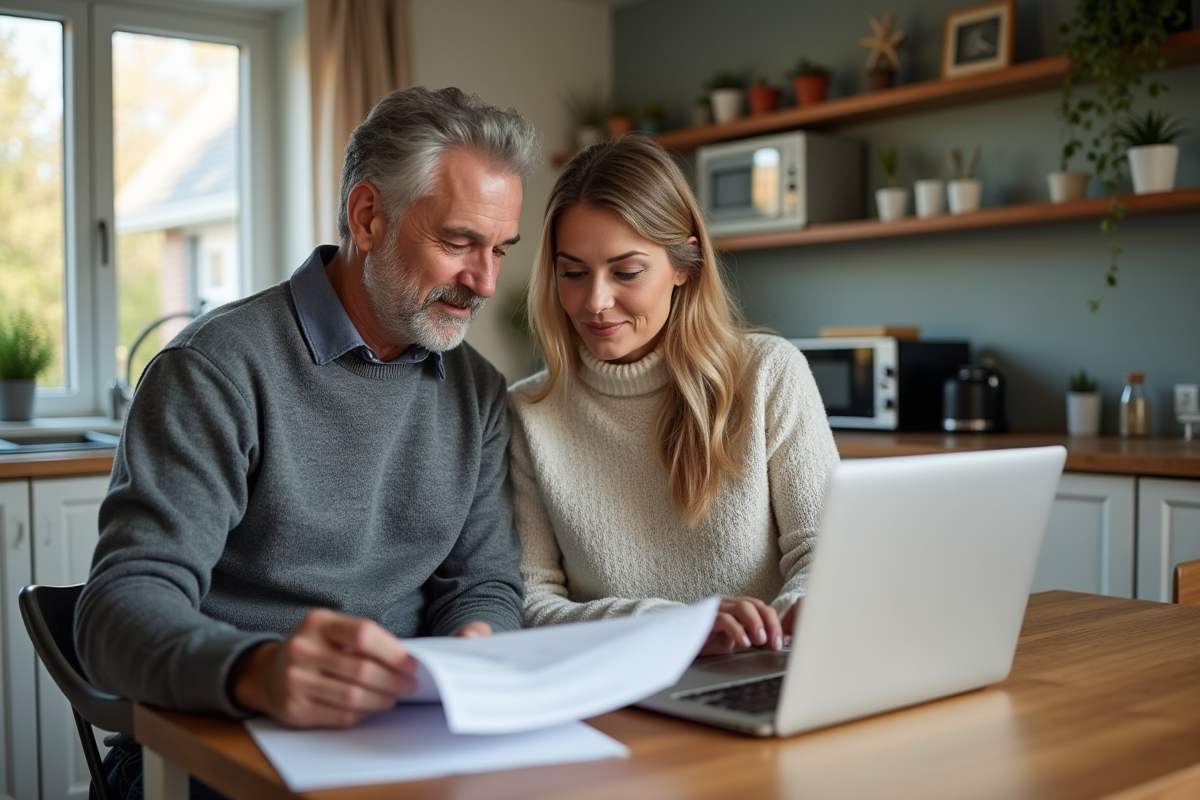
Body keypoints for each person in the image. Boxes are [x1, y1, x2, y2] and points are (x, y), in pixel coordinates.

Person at [76, 86, 539, 798]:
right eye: (458, 243)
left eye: (500, 249)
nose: (483, 281)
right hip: (222, 747)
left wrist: (479, 640)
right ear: (367, 216)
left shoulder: (476, 391)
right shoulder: (215, 370)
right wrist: (260, 671)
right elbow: (116, 611)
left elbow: (481, 584)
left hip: (410, 745)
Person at [509, 136, 839, 655]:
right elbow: (531, 605)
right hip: (617, 688)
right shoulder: (528, 413)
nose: (595, 301)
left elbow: (827, 553)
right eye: (572, 273)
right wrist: (671, 627)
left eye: (627, 272)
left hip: (762, 671)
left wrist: (783, 623)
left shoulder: (770, 375)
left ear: (683, 265)